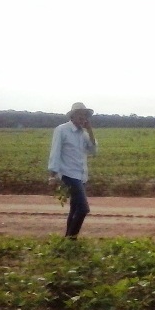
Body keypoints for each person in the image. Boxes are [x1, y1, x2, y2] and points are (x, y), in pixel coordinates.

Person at [47, 102, 98, 239]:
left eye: (85, 116)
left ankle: (67, 239)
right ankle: (71, 239)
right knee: (83, 209)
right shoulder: (62, 130)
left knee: (74, 209)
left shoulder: (84, 134)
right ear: (73, 116)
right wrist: (52, 175)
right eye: (80, 115)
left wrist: (90, 130)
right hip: (68, 175)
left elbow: (94, 151)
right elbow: (55, 152)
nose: (83, 118)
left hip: (81, 176)